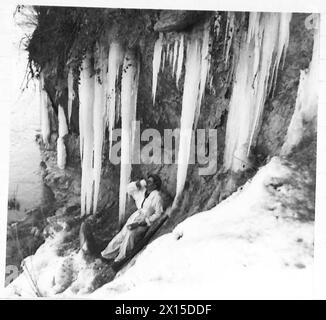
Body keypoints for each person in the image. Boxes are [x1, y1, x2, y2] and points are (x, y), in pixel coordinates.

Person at [101, 174, 164, 263]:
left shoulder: (157, 197)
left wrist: (146, 221)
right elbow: (129, 189)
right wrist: (140, 183)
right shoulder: (142, 191)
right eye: (147, 181)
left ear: (155, 185)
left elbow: (158, 214)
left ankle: (120, 259)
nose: (147, 183)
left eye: (150, 182)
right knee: (122, 235)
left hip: (143, 220)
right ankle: (106, 255)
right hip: (135, 216)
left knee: (130, 235)